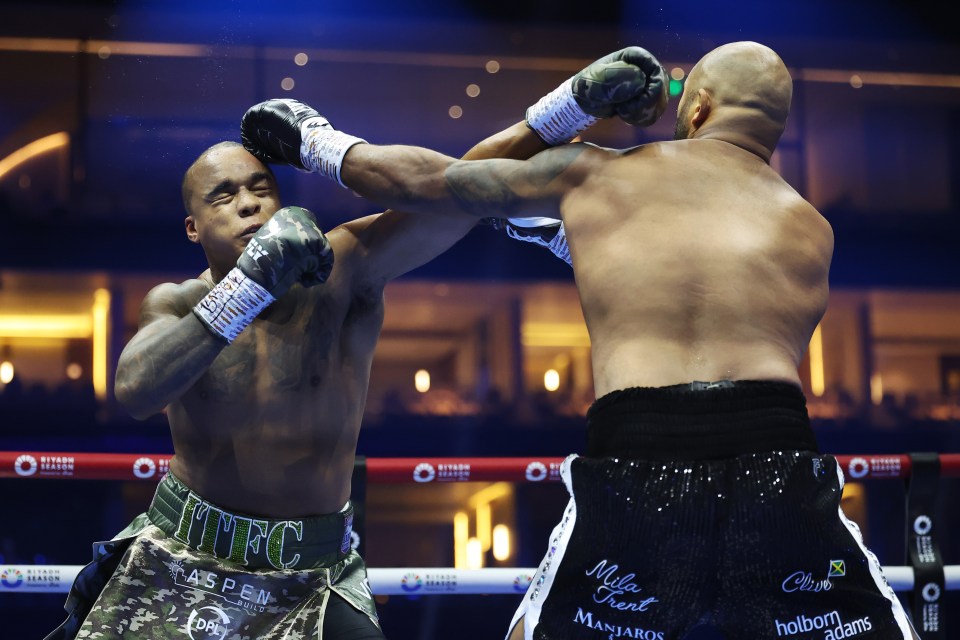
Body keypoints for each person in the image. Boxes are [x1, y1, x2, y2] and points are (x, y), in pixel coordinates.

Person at [242, 41, 921, 640]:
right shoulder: (812, 229)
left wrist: (315, 142)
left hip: (643, 454)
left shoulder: (603, 176)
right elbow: (704, 272)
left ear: (700, 107)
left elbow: (431, 185)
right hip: (779, 457)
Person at [45, 47, 667, 640]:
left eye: (260, 188)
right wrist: (249, 287)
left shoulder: (346, 267)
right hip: (185, 551)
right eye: (224, 196)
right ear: (193, 227)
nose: (248, 204)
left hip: (313, 572)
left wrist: (569, 108)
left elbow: (462, 186)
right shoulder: (175, 302)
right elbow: (134, 389)